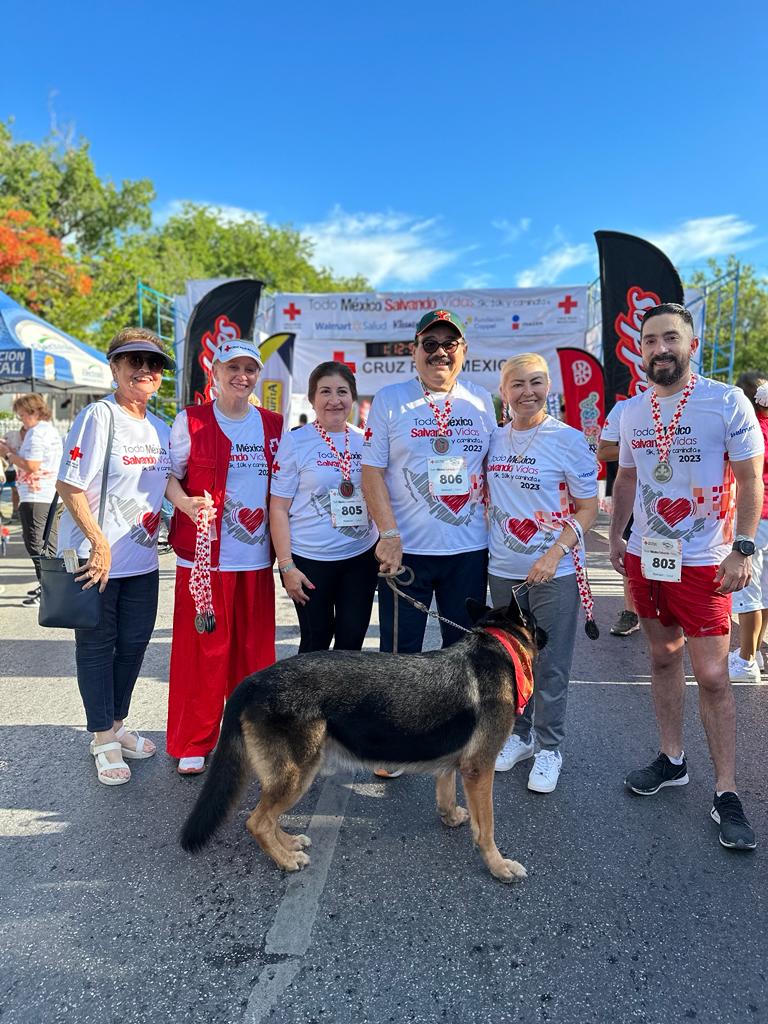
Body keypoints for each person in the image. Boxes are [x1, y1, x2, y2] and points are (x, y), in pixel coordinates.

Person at [609, 303, 764, 850]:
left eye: (670, 338)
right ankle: (673, 761)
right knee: (661, 657)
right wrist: (615, 534)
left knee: (716, 677)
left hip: (706, 561)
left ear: (691, 345)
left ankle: (726, 791)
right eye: (650, 340)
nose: (660, 349)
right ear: (641, 350)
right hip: (649, 557)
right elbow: (626, 476)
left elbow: (750, 479)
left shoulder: (726, 401)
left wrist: (743, 548)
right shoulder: (632, 411)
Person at [361, 309, 496, 776]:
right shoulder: (391, 399)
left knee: (464, 654)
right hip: (407, 552)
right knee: (401, 658)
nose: (440, 351)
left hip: (467, 551)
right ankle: (396, 744)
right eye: (430, 343)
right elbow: (371, 470)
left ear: (463, 351)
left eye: (450, 343)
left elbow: (494, 471)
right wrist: (389, 534)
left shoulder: (481, 401)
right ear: (414, 350)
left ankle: (456, 740)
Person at [56, 327, 173, 785]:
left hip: (143, 563)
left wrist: (187, 506)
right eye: (133, 361)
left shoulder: (160, 427)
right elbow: (69, 484)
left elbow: (168, 485)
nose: (144, 370)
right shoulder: (98, 416)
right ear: (115, 367)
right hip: (96, 561)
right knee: (97, 648)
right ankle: (102, 736)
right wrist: (99, 542)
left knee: (133, 646)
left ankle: (117, 723)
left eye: (153, 363)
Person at [166, 340, 283, 775]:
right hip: (203, 564)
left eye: (250, 369)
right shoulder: (190, 422)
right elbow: (168, 478)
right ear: (214, 373)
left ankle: (252, 739)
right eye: (233, 367)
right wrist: (186, 505)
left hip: (254, 562)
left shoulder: (273, 424)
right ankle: (194, 741)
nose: (242, 376)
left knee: (253, 657)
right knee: (202, 656)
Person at [487, 353, 598, 792]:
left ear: (548, 386)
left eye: (535, 382)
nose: (526, 392)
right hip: (503, 570)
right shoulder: (495, 439)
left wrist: (554, 554)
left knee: (550, 663)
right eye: (517, 384)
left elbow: (588, 510)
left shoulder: (568, 440)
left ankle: (550, 747)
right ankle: (519, 736)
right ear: (504, 392)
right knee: (511, 659)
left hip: (554, 571)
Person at [270, 360, 379, 652]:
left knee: (352, 641)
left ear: (353, 398)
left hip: (360, 558)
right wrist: (286, 566)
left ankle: (346, 700)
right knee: (316, 640)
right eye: (325, 392)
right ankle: (307, 700)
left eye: (342, 392)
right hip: (310, 561)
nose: (334, 400)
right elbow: (278, 508)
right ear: (312, 398)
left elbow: (379, 494)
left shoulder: (365, 440)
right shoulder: (294, 442)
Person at [0, 394, 62, 607]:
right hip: (47, 494)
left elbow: (32, 465)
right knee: (48, 546)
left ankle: (48, 592)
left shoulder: (36, 434)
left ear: (34, 412)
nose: (21, 419)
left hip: (36, 495)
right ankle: (49, 588)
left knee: (37, 546)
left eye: (23, 415)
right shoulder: (49, 431)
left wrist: (8, 454)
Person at [728, 371, 768, 681]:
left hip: (757, 519)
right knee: (765, 593)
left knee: (749, 594)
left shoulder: (750, 432)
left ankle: (746, 661)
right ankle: (755, 652)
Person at [597, 397, 641, 636]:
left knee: (677, 553)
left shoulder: (689, 407)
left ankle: (674, 617)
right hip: (634, 492)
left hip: (676, 496)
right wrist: (644, 445)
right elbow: (603, 451)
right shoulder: (625, 408)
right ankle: (630, 612)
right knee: (631, 551)